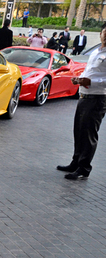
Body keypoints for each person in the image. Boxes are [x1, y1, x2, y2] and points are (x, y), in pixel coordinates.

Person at [58, 23, 106, 180]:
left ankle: (84, 167)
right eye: (104, 31)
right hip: (84, 95)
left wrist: (89, 82)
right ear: (100, 34)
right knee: (78, 130)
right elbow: (89, 71)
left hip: (97, 98)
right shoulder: (96, 52)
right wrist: (78, 80)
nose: (105, 34)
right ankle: (75, 162)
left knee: (89, 133)